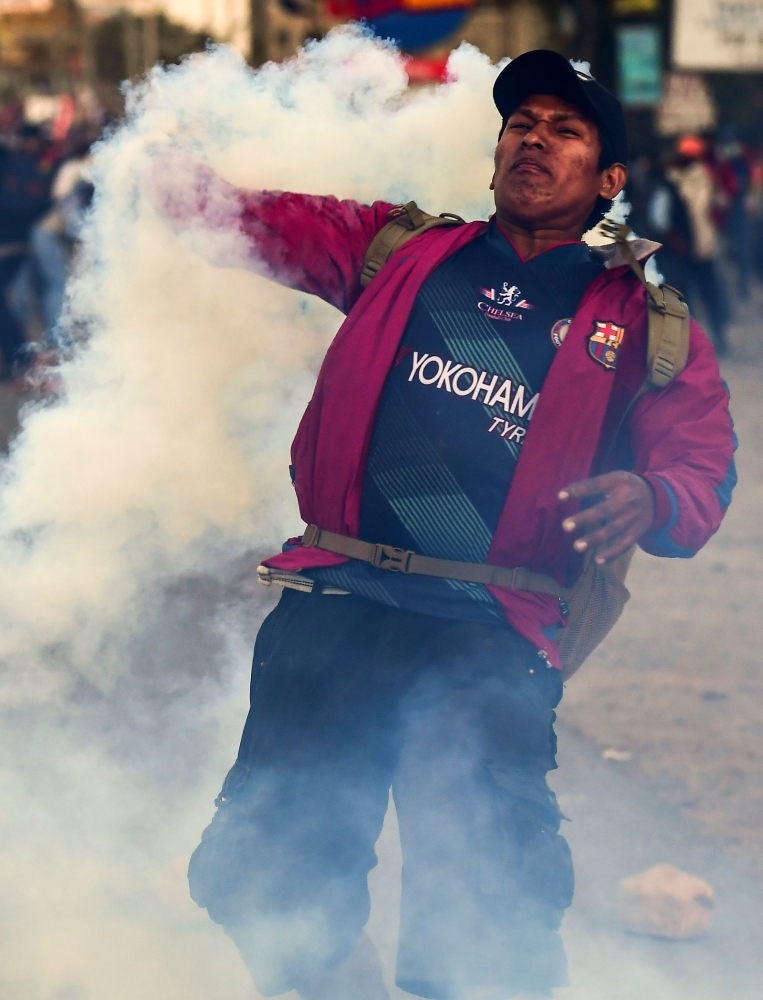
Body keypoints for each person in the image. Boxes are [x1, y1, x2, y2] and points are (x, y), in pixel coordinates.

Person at [151, 50, 737, 1000]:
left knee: (487, 922)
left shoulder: (643, 322)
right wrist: (181, 183)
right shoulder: (402, 251)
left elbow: (700, 471)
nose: (533, 139)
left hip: (488, 636)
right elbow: (261, 225)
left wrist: (651, 496)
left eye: (566, 130)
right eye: (520, 123)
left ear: (609, 180)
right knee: (269, 876)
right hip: (337, 603)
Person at [649, 135, 730, 355]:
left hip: (701, 248)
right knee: (689, 299)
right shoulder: (671, 183)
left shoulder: (702, 178)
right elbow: (660, 220)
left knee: (706, 295)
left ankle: (712, 339)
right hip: (685, 251)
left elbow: (718, 205)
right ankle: (694, 344)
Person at [0, 123, 60, 377]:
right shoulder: (12, 163)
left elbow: (35, 200)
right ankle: (22, 361)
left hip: (16, 243)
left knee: (23, 298)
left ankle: (25, 360)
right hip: (16, 241)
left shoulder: (34, 167)